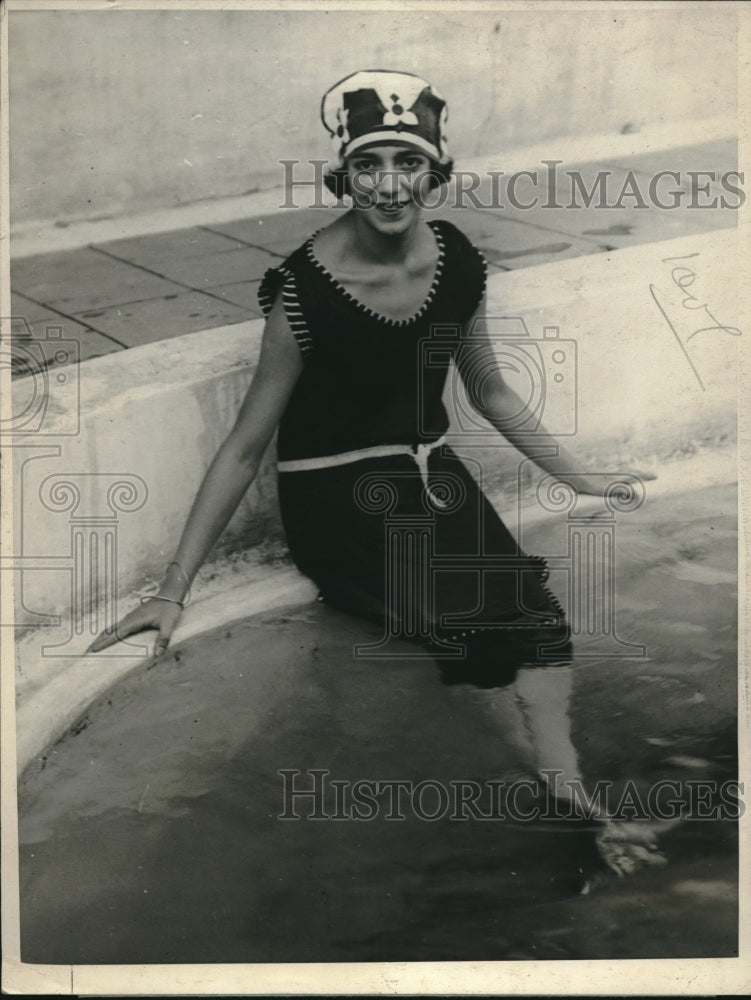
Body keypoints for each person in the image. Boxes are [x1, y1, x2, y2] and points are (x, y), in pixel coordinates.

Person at [88, 70, 667, 879]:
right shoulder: (301, 292)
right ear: (341, 176)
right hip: (334, 493)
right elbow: (246, 446)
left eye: (406, 162)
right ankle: (570, 803)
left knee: (534, 621)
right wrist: (171, 590)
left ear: (436, 172)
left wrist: (582, 479)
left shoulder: (459, 262)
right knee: (460, 633)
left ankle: (565, 778)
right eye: (368, 165)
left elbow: (489, 388)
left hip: (430, 474)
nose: (389, 184)